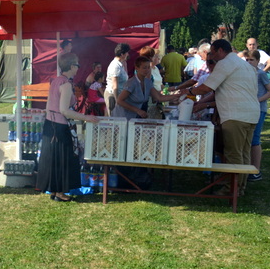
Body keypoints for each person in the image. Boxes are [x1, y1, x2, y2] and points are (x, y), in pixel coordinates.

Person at [189, 39, 259, 196]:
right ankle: (240, 188)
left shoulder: (225, 63)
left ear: (220, 50)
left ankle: (230, 189)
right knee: (244, 153)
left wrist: (189, 92)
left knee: (233, 155)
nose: (212, 56)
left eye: (213, 52)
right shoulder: (245, 65)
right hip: (250, 114)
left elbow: (208, 87)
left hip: (236, 115)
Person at [36, 52, 98, 202]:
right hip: (60, 126)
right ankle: (60, 192)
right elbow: (64, 110)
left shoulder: (55, 81)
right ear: (71, 66)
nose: (78, 68)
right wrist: (86, 118)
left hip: (50, 125)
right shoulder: (66, 84)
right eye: (77, 65)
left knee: (54, 159)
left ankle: (55, 190)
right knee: (63, 160)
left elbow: (48, 105)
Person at [240, 50, 270, 182]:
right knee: (247, 139)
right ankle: (248, 168)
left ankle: (256, 170)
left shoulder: (260, 74)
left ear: (258, 61)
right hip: (247, 109)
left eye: (251, 60)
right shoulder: (243, 73)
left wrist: (256, 100)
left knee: (255, 139)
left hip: (259, 109)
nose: (249, 63)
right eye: (247, 60)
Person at [112, 56, 181, 119]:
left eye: (148, 67)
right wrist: (138, 110)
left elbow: (159, 97)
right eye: (144, 68)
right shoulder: (131, 83)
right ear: (137, 68)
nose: (147, 70)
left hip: (135, 117)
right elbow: (119, 101)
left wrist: (177, 96)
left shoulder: (148, 82)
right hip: (122, 117)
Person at [104, 43, 129, 117]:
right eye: (127, 52)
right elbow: (115, 86)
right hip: (113, 95)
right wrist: (117, 100)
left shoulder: (120, 65)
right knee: (114, 120)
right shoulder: (115, 66)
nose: (128, 54)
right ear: (122, 54)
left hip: (119, 95)